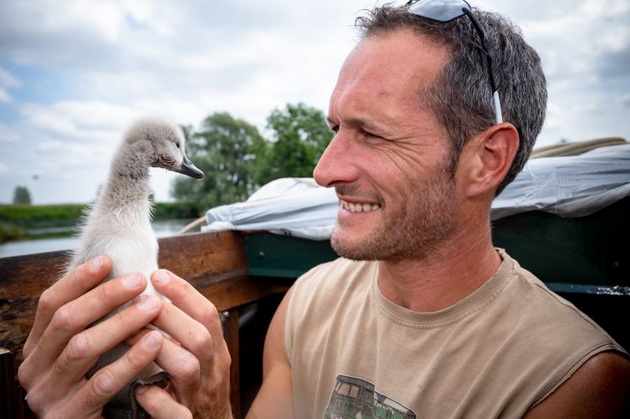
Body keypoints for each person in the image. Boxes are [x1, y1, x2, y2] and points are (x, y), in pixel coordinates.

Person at [18, 1, 630, 418]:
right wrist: (208, 409)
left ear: (486, 161)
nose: (323, 169)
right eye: (336, 126)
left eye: (372, 132)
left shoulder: (572, 380)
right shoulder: (306, 304)